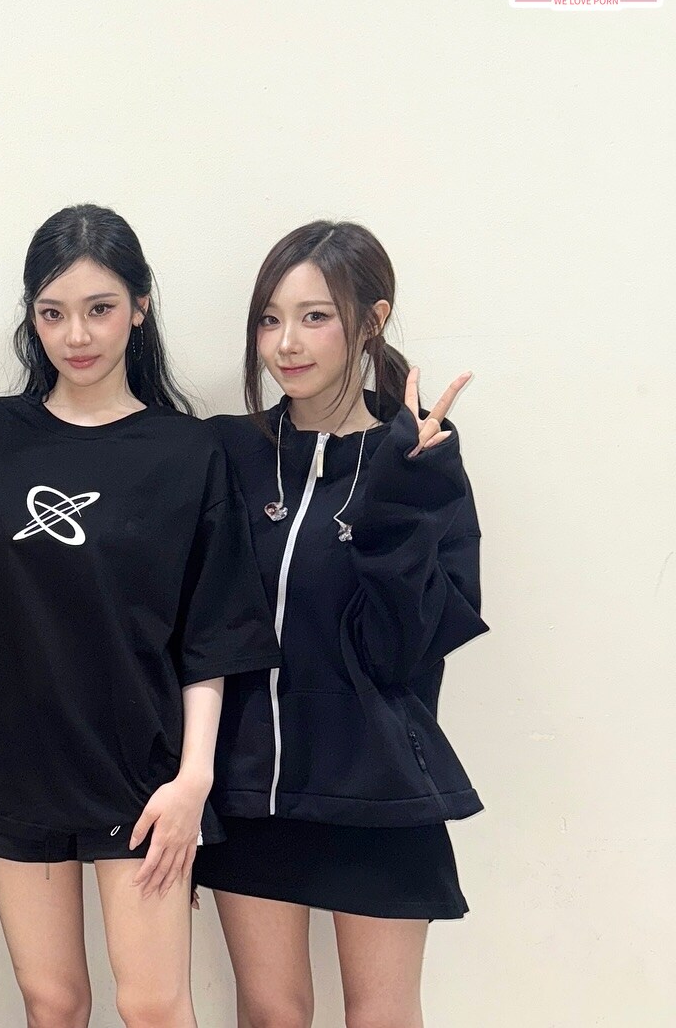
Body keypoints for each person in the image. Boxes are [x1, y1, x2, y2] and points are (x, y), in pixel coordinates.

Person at [0, 204, 279, 1028]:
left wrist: (194, 779)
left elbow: (211, 633)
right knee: (53, 1000)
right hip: (12, 769)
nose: (76, 334)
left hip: (142, 774)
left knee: (153, 1003)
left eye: (99, 308)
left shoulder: (187, 451)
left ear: (140, 307)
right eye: (52, 312)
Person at [194, 220, 488, 1028]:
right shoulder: (229, 452)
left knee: (381, 1015)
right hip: (251, 790)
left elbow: (405, 648)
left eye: (315, 316)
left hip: (377, 787)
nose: (285, 343)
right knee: (271, 1013)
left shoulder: (419, 458)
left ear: (371, 320)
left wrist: (402, 494)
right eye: (269, 319)